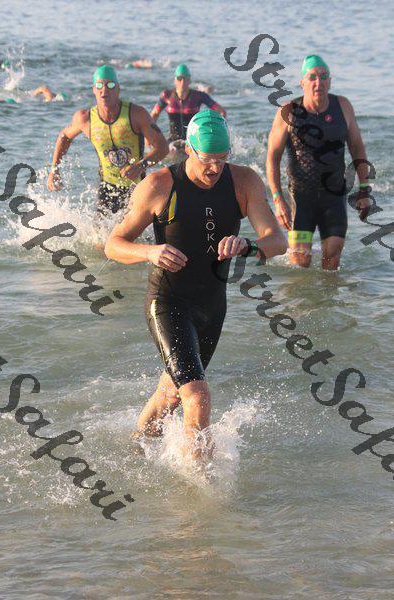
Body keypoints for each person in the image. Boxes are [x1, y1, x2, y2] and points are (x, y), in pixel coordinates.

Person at [105, 109, 287, 463]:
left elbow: (277, 240)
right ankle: (198, 486)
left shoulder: (244, 182)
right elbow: (114, 244)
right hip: (168, 300)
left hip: (212, 306)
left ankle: (136, 449)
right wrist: (150, 252)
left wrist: (248, 245)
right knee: (198, 396)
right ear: (188, 149)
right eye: (207, 159)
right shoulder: (159, 185)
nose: (215, 168)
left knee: (173, 392)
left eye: (222, 158)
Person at [266, 54, 371, 270]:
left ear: (330, 82)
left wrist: (364, 189)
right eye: (312, 77)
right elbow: (272, 158)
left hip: (334, 196)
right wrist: (277, 199)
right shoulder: (288, 112)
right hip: (300, 198)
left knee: (332, 260)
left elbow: (357, 148)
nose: (318, 82)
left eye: (324, 77)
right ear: (302, 82)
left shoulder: (343, 106)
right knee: (300, 264)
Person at [47, 65, 169, 217]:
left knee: (133, 230)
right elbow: (64, 136)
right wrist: (54, 170)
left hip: (136, 187)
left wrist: (141, 165)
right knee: (100, 231)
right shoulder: (85, 119)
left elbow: (163, 148)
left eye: (110, 85)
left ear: (118, 89)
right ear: (94, 90)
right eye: (99, 85)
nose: (104, 90)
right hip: (107, 188)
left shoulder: (136, 114)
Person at [151, 64, 226, 152]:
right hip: (172, 142)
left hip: (193, 141)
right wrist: (151, 136)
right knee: (168, 153)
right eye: (179, 78)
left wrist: (215, 133)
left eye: (185, 78)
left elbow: (221, 112)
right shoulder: (166, 95)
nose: (182, 81)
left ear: (190, 80)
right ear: (175, 80)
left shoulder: (199, 96)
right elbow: (154, 114)